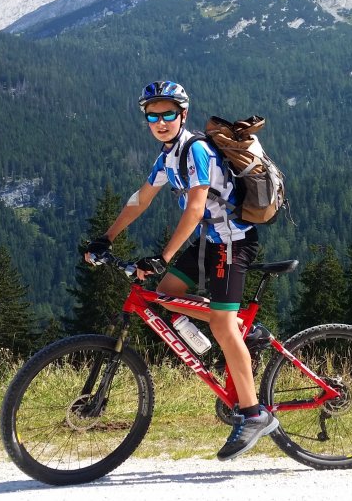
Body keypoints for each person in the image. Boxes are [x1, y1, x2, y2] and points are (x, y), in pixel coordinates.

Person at [84, 80, 277, 461]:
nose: (160, 121)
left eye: (168, 113)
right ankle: (244, 330)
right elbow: (140, 199)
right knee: (168, 298)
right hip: (207, 241)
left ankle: (255, 413)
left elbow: (194, 206)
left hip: (232, 242)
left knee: (220, 324)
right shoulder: (166, 157)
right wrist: (105, 238)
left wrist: (165, 254)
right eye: (152, 115)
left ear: (182, 115)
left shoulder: (197, 150)